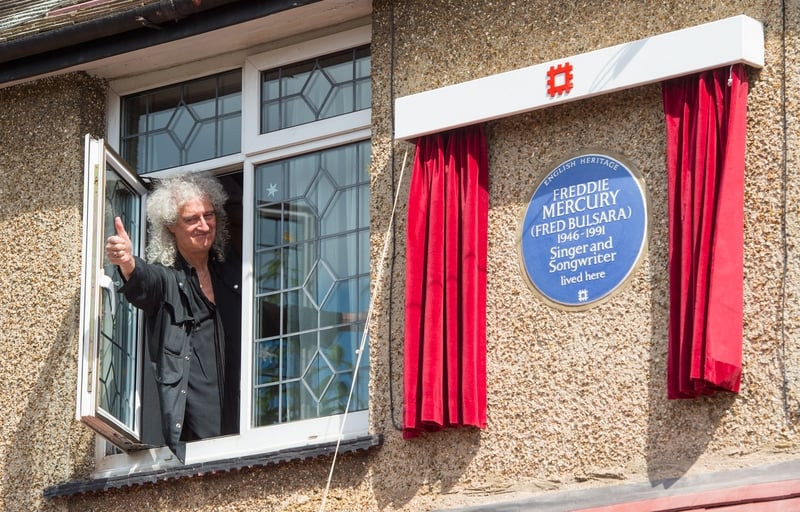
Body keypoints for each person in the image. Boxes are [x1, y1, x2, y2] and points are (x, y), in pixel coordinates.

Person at [105, 173, 241, 462]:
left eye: (208, 215)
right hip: (196, 422)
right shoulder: (168, 278)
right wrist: (127, 262)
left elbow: (267, 310)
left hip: (239, 408)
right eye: (192, 219)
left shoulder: (230, 273)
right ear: (171, 226)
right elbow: (144, 283)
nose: (204, 225)